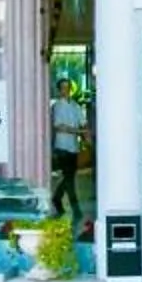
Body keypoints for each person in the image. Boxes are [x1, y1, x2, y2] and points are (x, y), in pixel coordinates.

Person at [49, 78, 88, 217]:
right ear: (59, 90)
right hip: (62, 145)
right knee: (69, 177)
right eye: (63, 88)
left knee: (70, 177)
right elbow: (59, 126)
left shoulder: (75, 106)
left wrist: (86, 137)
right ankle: (76, 209)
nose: (65, 90)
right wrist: (78, 132)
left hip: (73, 146)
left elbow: (82, 123)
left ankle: (57, 199)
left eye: (67, 87)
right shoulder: (58, 106)